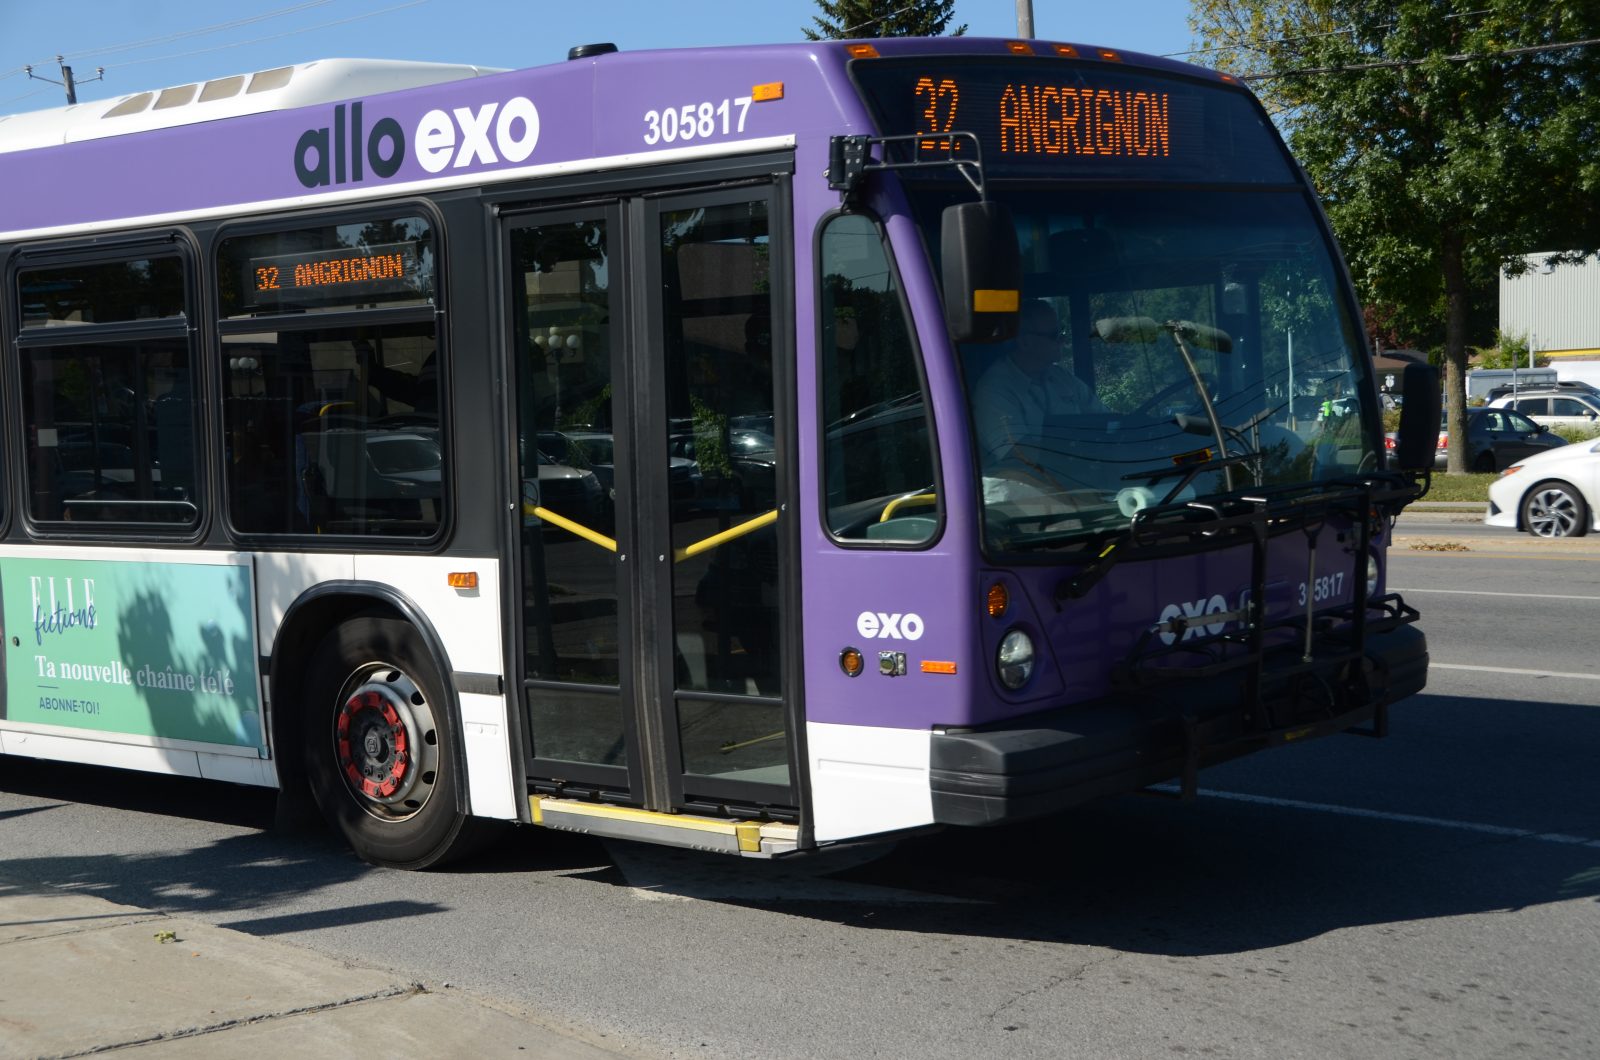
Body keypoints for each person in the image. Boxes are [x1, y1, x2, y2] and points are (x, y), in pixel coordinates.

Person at [972, 300, 1106, 488]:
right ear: (1025, 342)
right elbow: (1020, 456)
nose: (1063, 340)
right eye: (1055, 335)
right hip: (1020, 496)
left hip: (1074, 485)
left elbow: (1105, 421)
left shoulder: (1061, 378)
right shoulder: (994, 389)